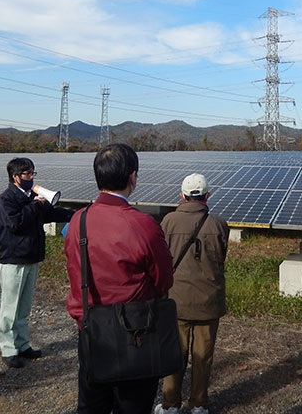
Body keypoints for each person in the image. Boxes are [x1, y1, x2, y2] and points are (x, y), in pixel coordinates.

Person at [64, 143, 173, 414]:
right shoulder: (143, 224)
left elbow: (75, 272)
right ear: (132, 177)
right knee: (133, 406)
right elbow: (164, 279)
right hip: (135, 334)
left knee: (91, 406)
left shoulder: (78, 221)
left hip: (91, 332)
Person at [155, 173, 230, 414]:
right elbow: (221, 258)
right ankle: (198, 404)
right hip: (208, 301)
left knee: (174, 354)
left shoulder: (168, 222)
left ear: (181, 196)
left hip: (176, 300)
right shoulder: (219, 224)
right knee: (203, 356)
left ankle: (170, 405)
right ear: (207, 197)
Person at [0, 157, 73, 368]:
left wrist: (76, 215)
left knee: (24, 306)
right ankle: (8, 349)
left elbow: (51, 213)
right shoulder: (6, 199)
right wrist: (35, 206)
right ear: (15, 177)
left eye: (32, 173)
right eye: (27, 174)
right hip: (14, 260)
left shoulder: (31, 197)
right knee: (10, 307)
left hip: (31, 258)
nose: (31, 177)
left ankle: (23, 344)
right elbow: (14, 224)